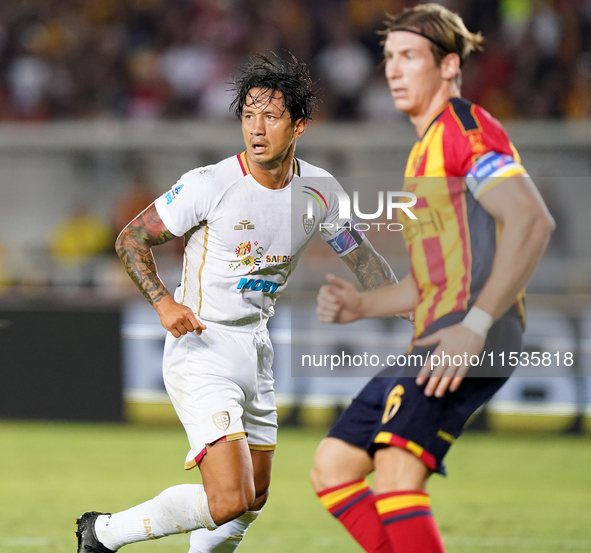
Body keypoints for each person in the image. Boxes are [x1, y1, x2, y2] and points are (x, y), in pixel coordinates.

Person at [75, 53, 397, 553]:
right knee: (227, 498)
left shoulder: (320, 192)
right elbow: (130, 238)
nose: (257, 128)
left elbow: (363, 259)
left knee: (251, 501)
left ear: (299, 126)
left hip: (256, 348)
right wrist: (163, 303)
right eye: (248, 115)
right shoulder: (211, 184)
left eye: (271, 116)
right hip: (202, 347)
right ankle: (102, 534)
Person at [311, 5, 555, 553]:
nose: (394, 70)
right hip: (437, 329)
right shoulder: (423, 152)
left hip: (470, 332)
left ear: (448, 66)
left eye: (410, 57)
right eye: (390, 58)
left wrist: (477, 322)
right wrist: (361, 306)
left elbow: (532, 220)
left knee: (397, 474)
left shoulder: (465, 130)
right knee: (333, 468)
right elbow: (427, 283)